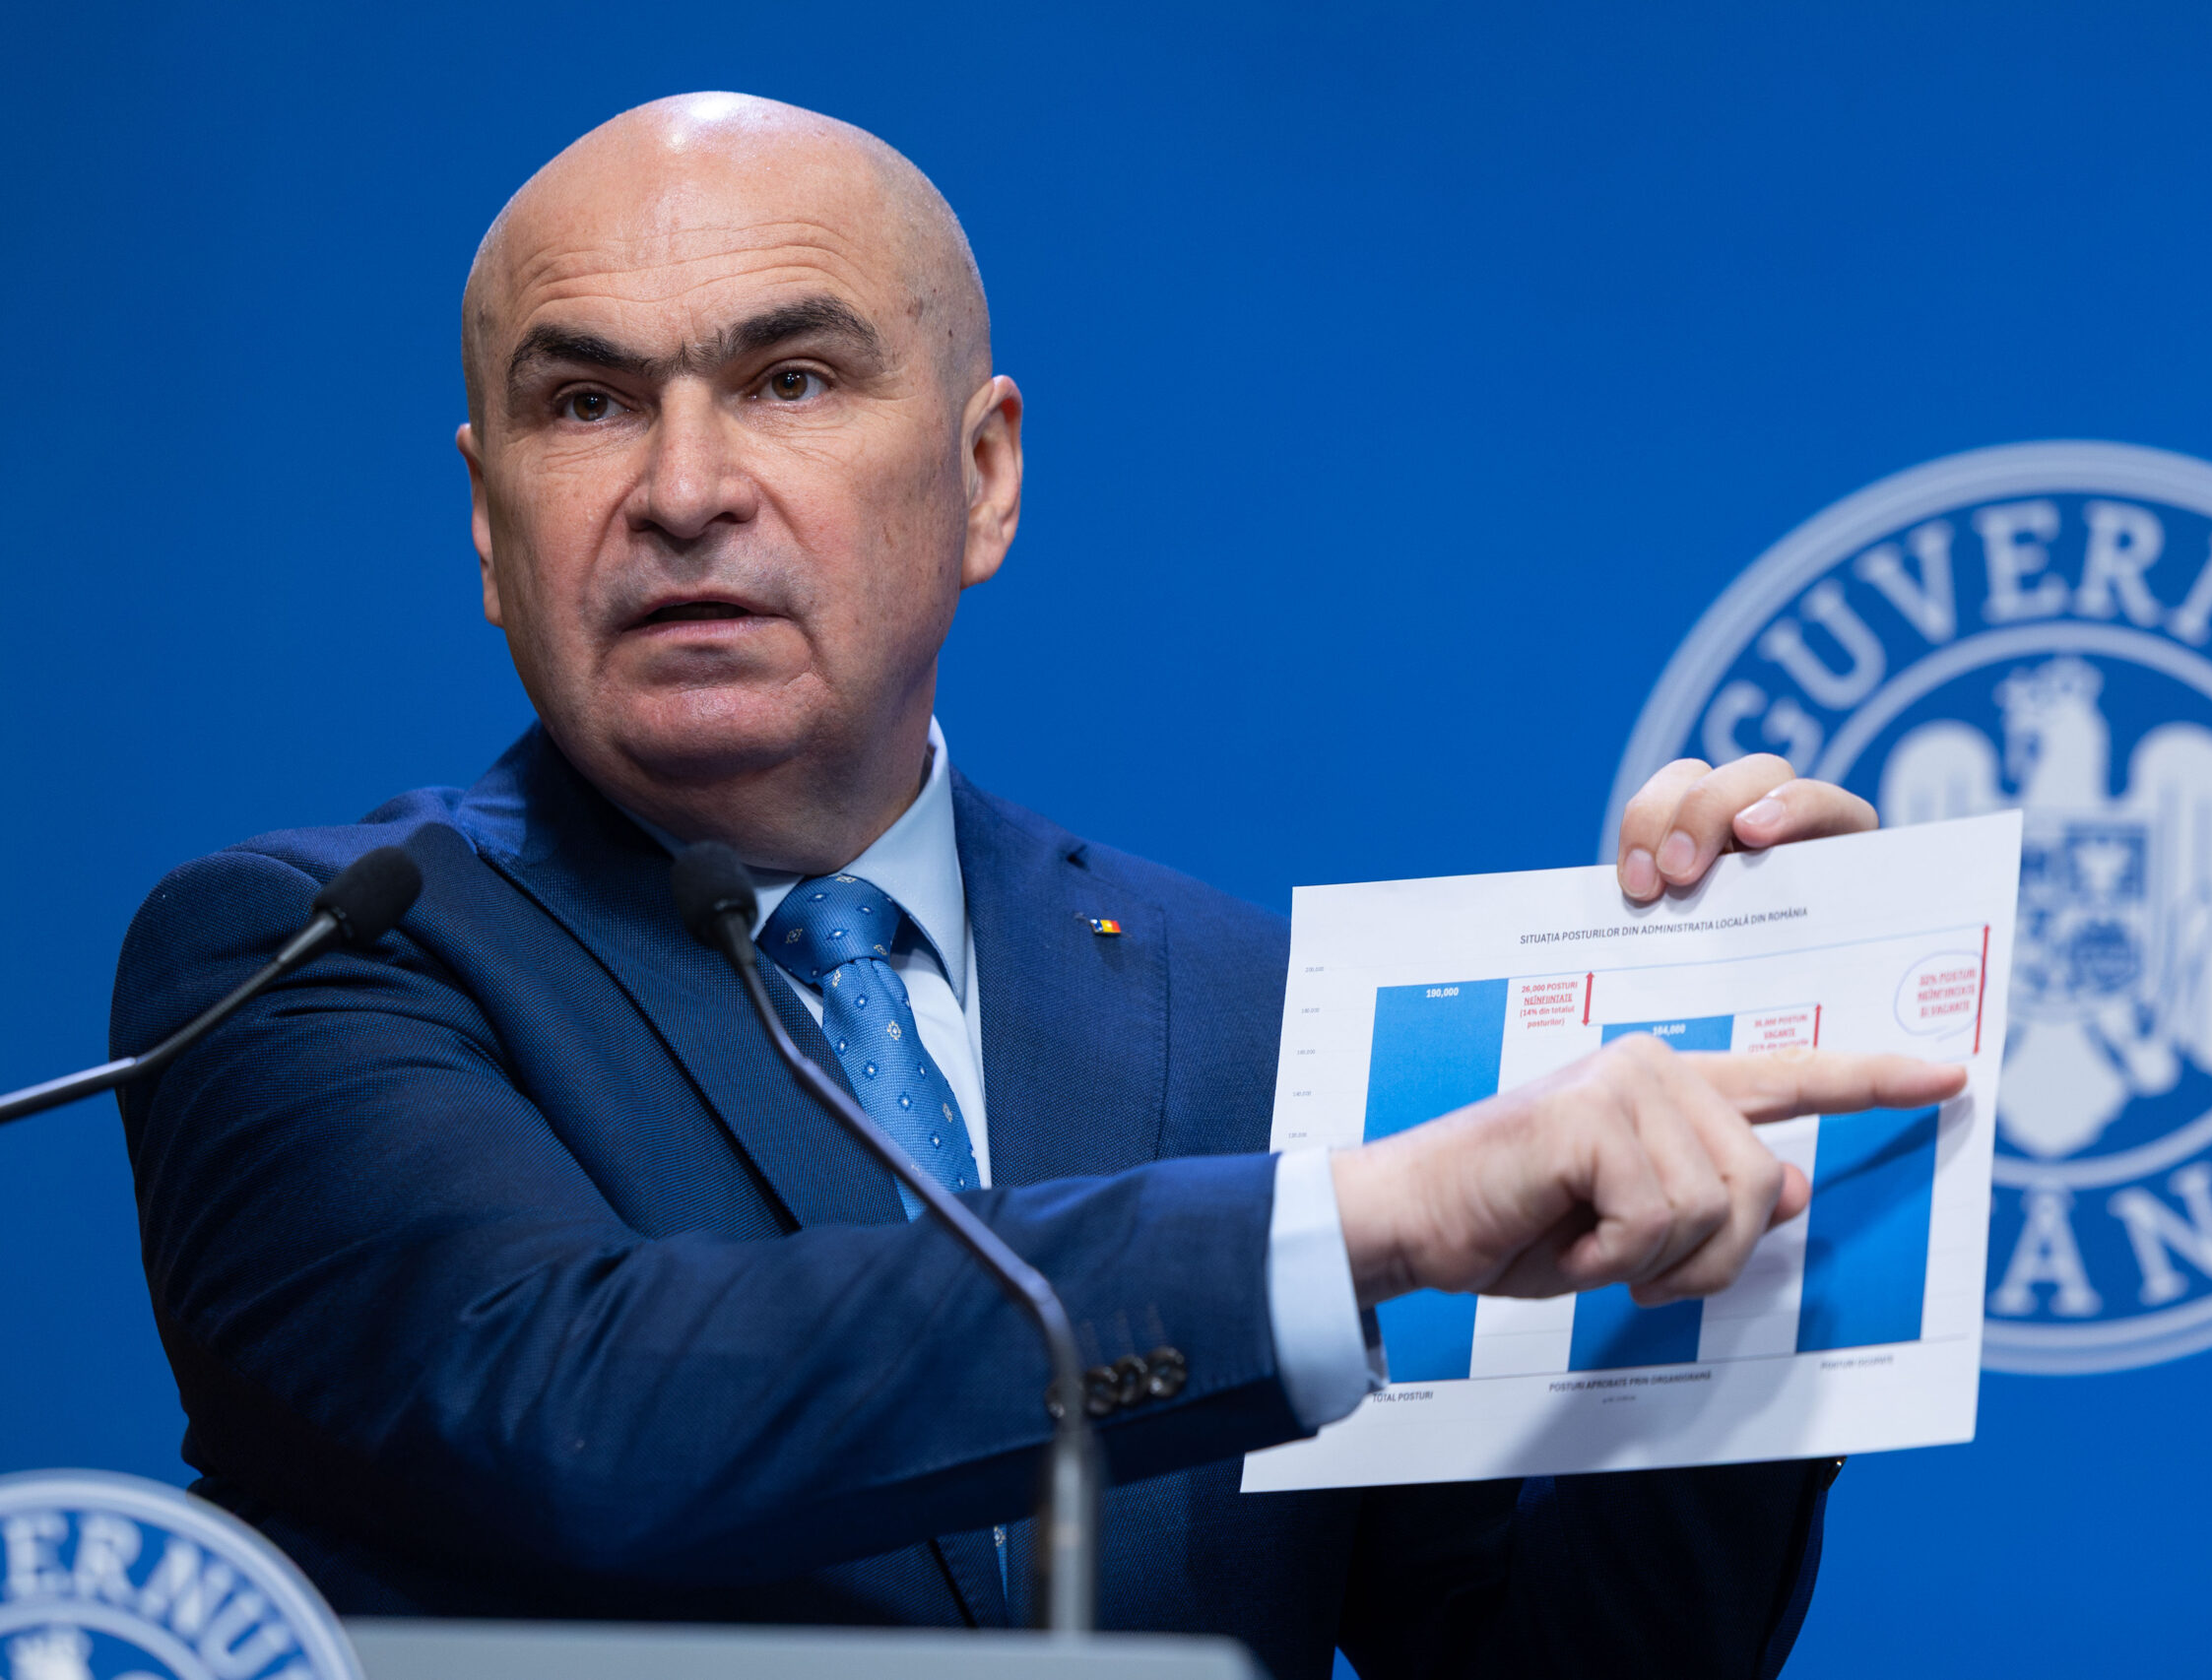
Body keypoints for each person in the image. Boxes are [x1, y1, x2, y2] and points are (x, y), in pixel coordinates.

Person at [110, 94, 1962, 1678]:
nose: (683, 488)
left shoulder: (1245, 1006)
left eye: (790, 378)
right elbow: (582, 1410)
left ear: (985, 475)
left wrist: (1749, 1201)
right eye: (587, 403)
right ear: (487, 516)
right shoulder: (297, 959)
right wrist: (1354, 1225)